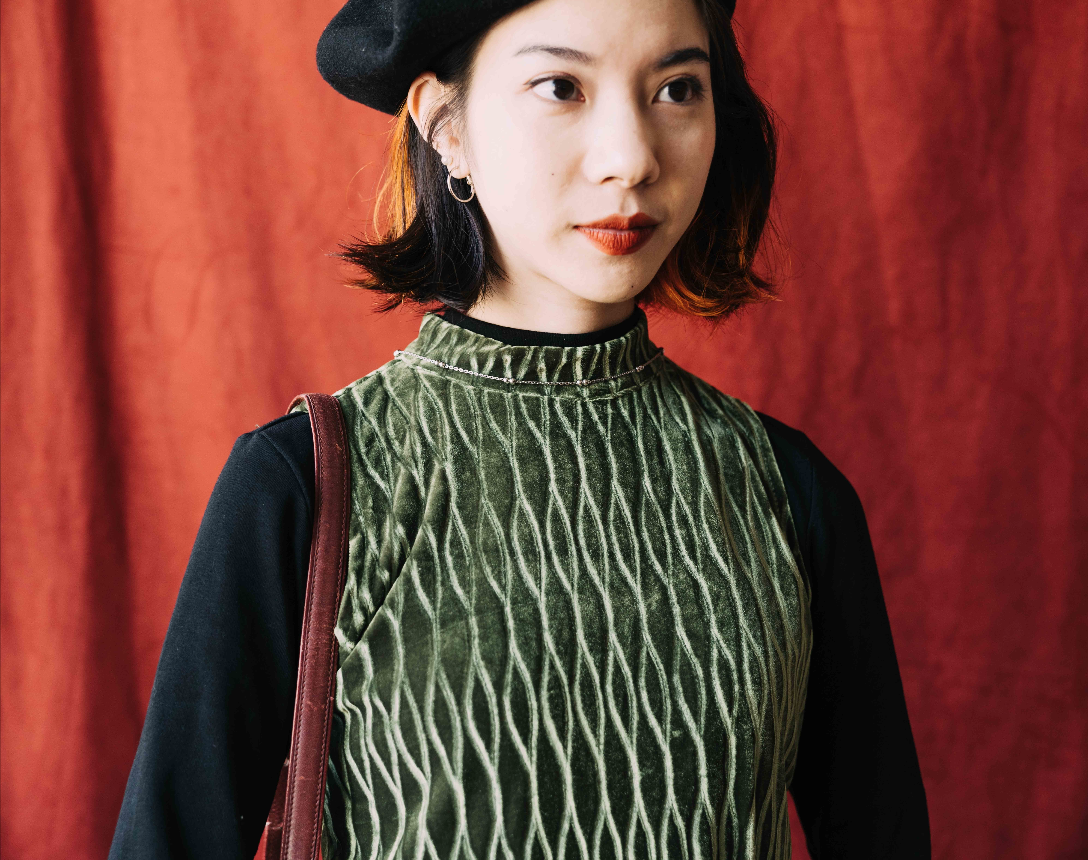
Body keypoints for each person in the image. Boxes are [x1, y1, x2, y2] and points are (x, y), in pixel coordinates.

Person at [108, 0, 930, 857]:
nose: (632, 158)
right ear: (445, 127)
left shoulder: (786, 490)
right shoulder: (306, 484)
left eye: (678, 89)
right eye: (561, 87)